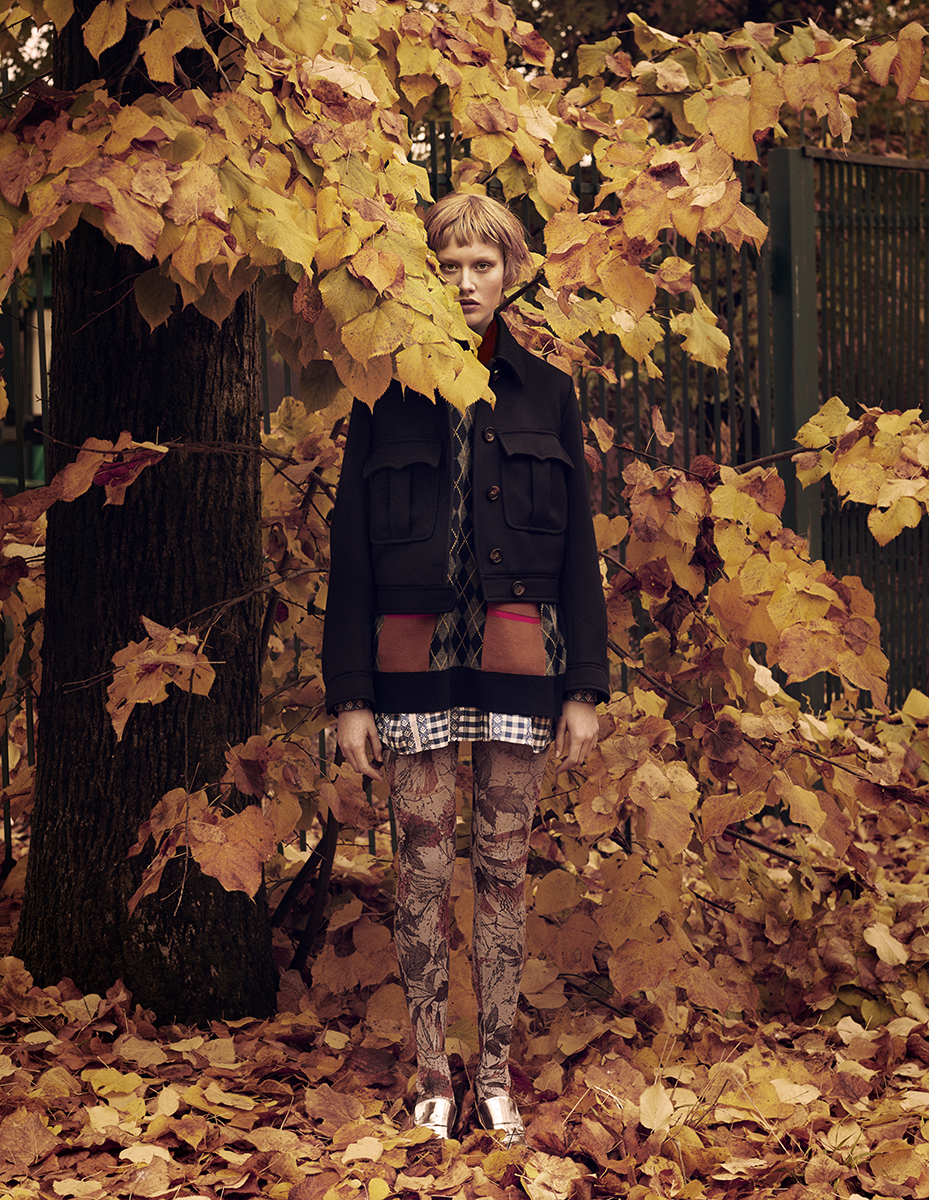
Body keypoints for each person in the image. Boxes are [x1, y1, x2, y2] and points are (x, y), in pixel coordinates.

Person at [322, 192, 609, 1146]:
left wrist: (584, 687)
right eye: (448, 264)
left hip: (520, 657)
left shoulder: (547, 391)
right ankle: (431, 1079)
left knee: (502, 871)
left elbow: (579, 550)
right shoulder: (384, 391)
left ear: (510, 273)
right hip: (410, 663)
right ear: (427, 274)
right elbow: (350, 550)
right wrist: (350, 694)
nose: (465, 281)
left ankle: (493, 1079)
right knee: (418, 873)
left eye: (482, 264)